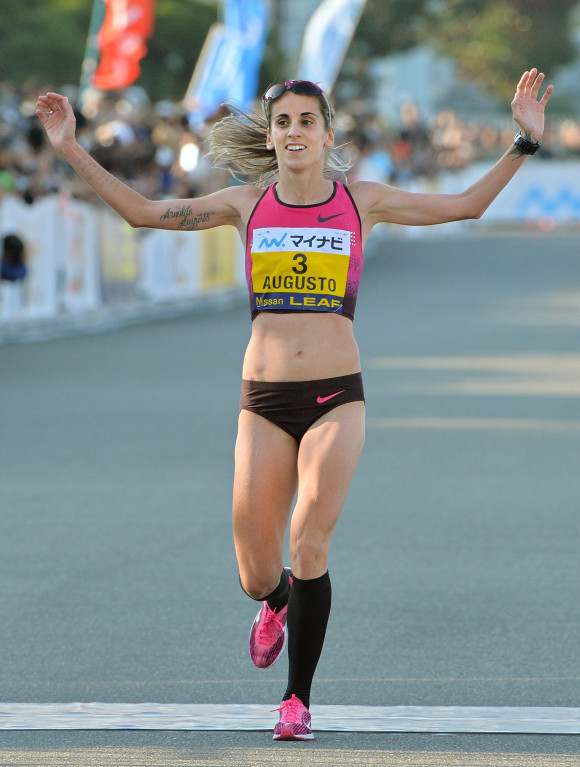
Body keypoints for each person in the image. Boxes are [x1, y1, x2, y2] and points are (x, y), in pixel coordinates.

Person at [36, 69, 553, 741]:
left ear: (328, 133)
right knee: (256, 569)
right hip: (264, 401)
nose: (294, 132)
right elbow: (144, 213)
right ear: (273, 137)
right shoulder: (244, 204)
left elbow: (465, 204)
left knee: (310, 538)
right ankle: (277, 601)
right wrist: (70, 147)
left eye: (307, 121)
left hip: (338, 395)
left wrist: (524, 143)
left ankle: (296, 700)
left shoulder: (360, 201)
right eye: (283, 122)